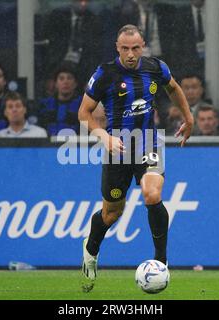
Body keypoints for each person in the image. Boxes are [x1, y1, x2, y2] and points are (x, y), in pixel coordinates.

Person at [78, 24, 194, 292]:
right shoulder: (104, 74)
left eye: (136, 48)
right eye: (125, 49)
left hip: (148, 141)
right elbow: (84, 113)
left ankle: (161, 261)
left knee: (152, 194)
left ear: (143, 46)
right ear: (117, 48)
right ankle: (91, 248)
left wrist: (188, 118)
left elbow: (173, 88)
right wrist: (104, 137)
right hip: (117, 148)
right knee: (111, 213)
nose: (131, 54)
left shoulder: (155, 68)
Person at [41, 0, 102, 88]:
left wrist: (91, 78)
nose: (83, 4)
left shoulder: (93, 20)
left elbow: (95, 52)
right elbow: (48, 49)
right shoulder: (58, 17)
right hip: (58, 62)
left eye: (85, 1)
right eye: (79, 1)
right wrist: (49, 76)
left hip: (82, 66)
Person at [38, 65, 82, 136]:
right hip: (47, 145)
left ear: (75, 84)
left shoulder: (83, 105)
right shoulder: (45, 104)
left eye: (69, 78)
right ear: (56, 84)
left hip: (74, 145)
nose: (65, 82)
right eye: (61, 79)